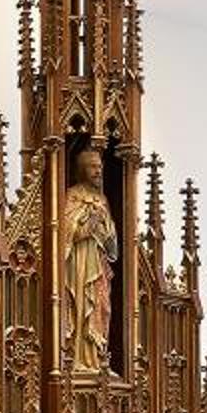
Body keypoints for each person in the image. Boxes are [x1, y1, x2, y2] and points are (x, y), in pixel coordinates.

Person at [60, 142, 118, 374]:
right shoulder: (72, 195)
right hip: (78, 264)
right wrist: (84, 226)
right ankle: (77, 359)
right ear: (82, 169)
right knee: (80, 306)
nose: (98, 171)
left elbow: (112, 243)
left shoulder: (102, 200)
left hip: (98, 264)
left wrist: (104, 226)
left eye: (100, 166)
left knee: (101, 308)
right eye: (93, 166)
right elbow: (64, 232)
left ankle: (96, 358)